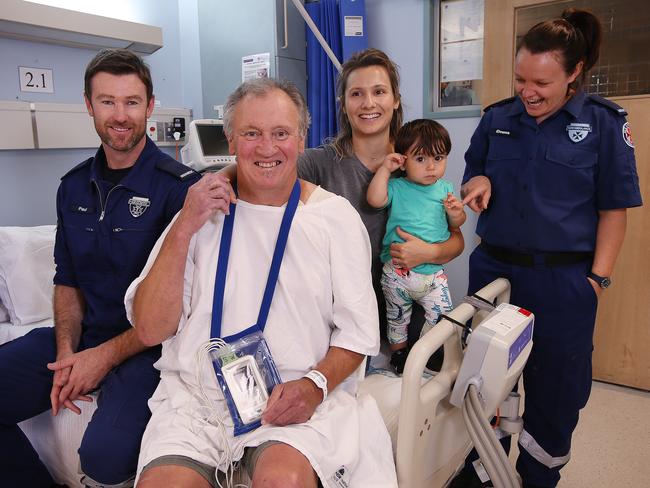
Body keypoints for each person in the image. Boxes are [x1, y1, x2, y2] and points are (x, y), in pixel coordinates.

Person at [126, 78, 397, 487]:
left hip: (290, 394)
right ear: (231, 138)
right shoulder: (200, 212)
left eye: (281, 134)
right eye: (252, 133)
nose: (267, 148)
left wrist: (313, 386)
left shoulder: (333, 219)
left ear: (301, 139)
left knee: (282, 480)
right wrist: (184, 226)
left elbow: (358, 334)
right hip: (197, 400)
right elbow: (148, 329)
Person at [454, 9, 642, 488]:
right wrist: (477, 181)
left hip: (563, 283)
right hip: (496, 275)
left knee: (556, 393)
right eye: (521, 79)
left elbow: (613, 211)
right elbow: (473, 171)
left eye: (542, 81)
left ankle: (538, 477)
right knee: (484, 384)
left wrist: (596, 282)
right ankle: (481, 473)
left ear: (574, 73)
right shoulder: (497, 118)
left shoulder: (602, 124)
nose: (528, 91)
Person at [0, 49, 200, 487]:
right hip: (83, 336)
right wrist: (70, 354)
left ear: (150, 107)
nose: (120, 115)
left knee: (104, 459)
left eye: (131, 102)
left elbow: (182, 309)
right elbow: (66, 279)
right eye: (107, 101)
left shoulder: (181, 191)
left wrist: (101, 359)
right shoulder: (72, 186)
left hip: (150, 350)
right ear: (88, 106)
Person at [367, 119, 466, 374]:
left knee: (443, 318)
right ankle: (399, 355)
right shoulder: (397, 186)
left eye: (439, 158)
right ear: (404, 160)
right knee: (397, 317)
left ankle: (427, 352)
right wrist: (385, 170)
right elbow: (374, 199)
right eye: (421, 159)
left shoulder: (445, 189)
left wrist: (456, 212)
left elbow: (457, 224)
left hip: (433, 274)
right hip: (398, 273)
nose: (431, 166)